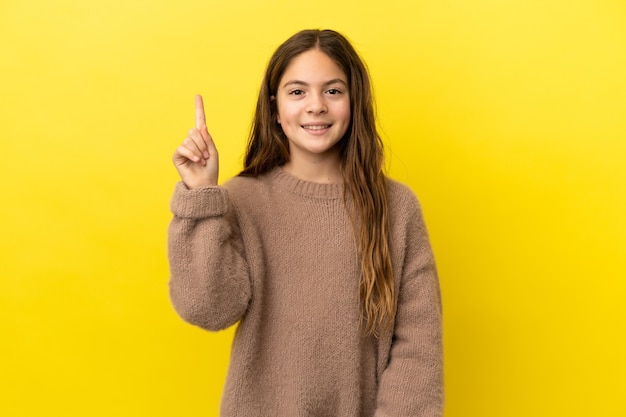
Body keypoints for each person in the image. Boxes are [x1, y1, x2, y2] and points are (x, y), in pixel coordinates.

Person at [168, 29, 443, 417]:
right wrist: (200, 198)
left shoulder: (397, 208)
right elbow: (208, 309)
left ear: (354, 101)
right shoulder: (240, 200)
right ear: (275, 108)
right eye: (297, 92)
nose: (316, 106)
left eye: (333, 91)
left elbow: (418, 348)